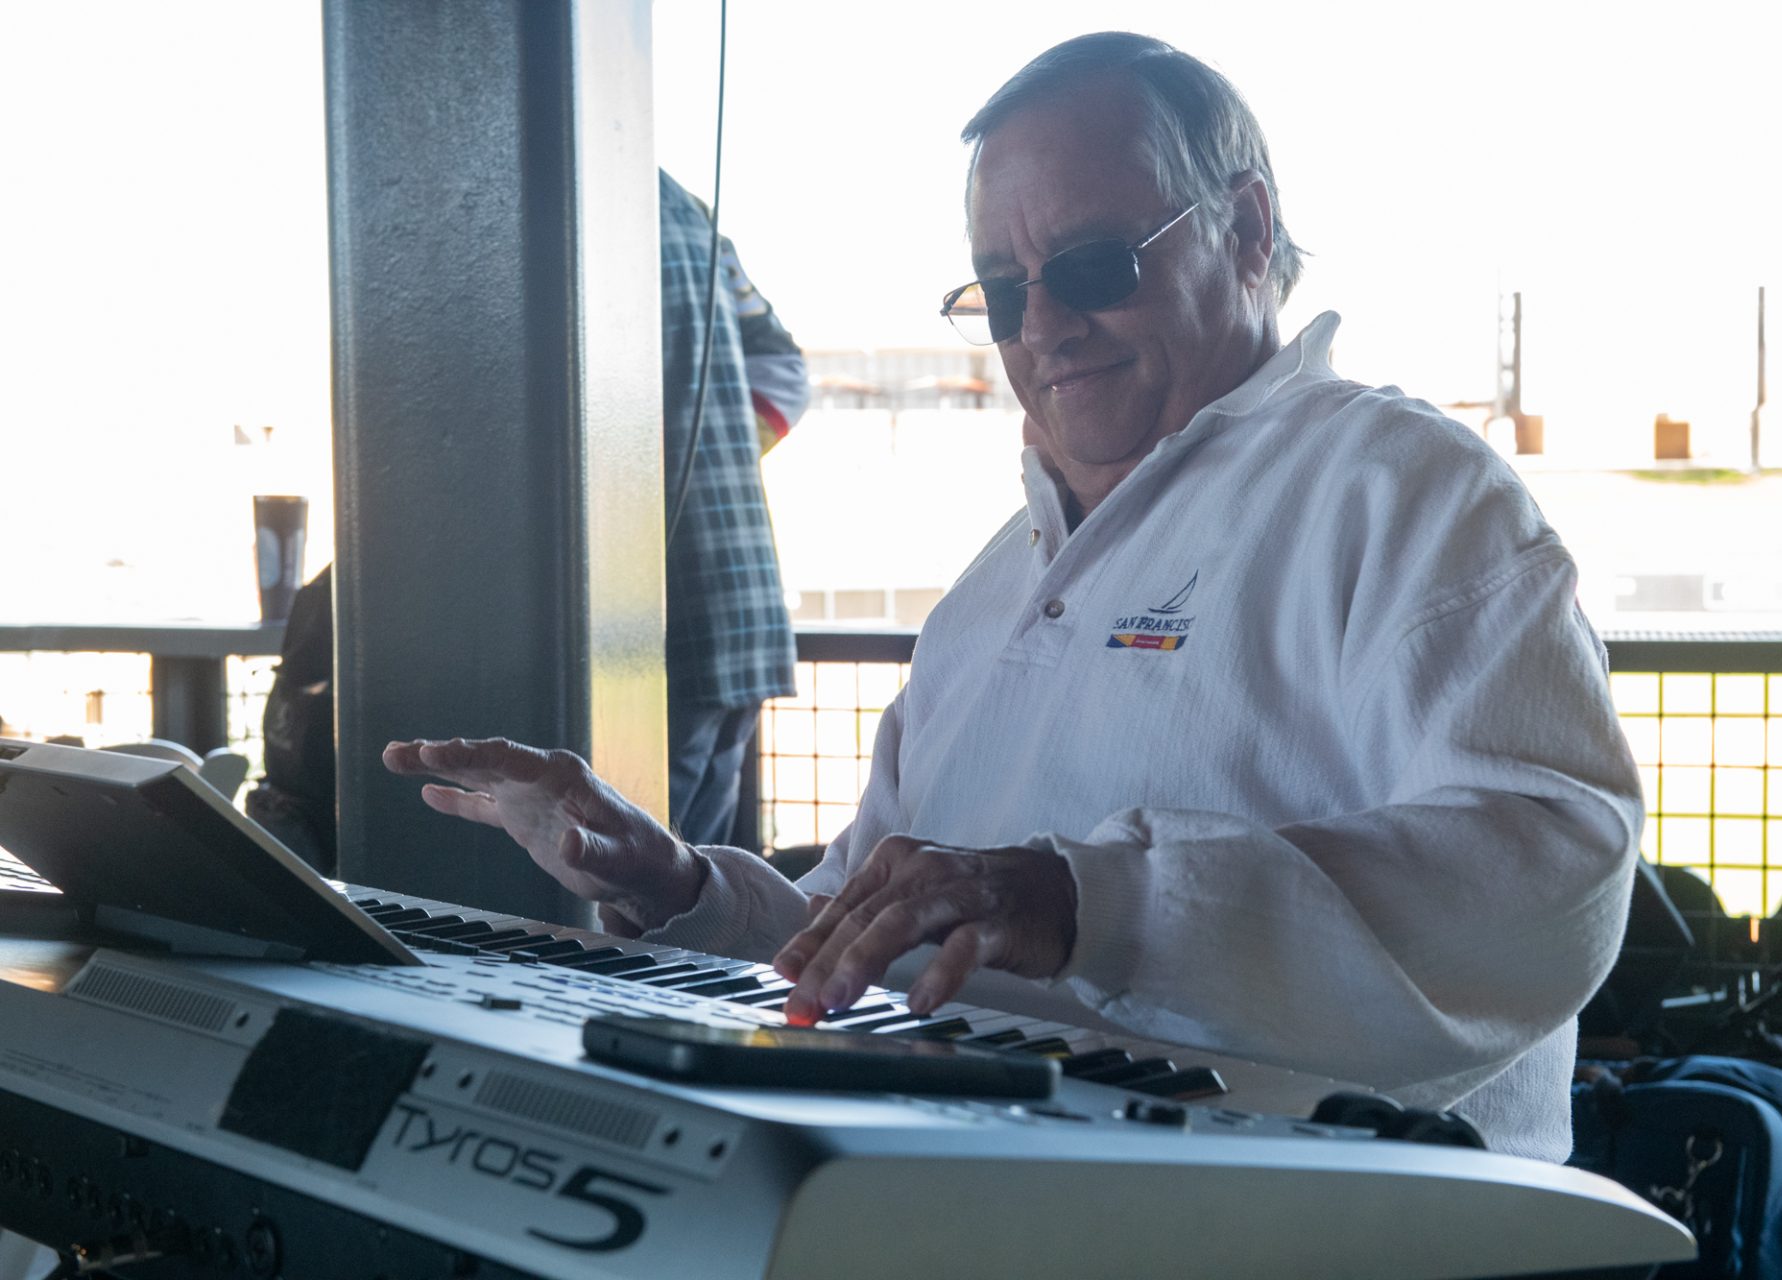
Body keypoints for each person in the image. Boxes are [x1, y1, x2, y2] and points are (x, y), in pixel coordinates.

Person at [385, 33, 1640, 1162]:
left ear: (1250, 232)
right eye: (1001, 288)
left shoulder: (1402, 489)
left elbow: (1554, 872)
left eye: (1093, 265)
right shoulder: (997, 586)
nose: (1045, 324)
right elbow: (854, 923)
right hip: (1000, 1190)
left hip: (1339, 1216)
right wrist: (683, 887)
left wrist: (1083, 900)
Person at [656, 170, 806, 847]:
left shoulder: (573, 191)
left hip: (660, 605)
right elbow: (785, 366)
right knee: (695, 880)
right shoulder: (686, 209)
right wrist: (718, 448)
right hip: (742, 595)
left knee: (630, 886)